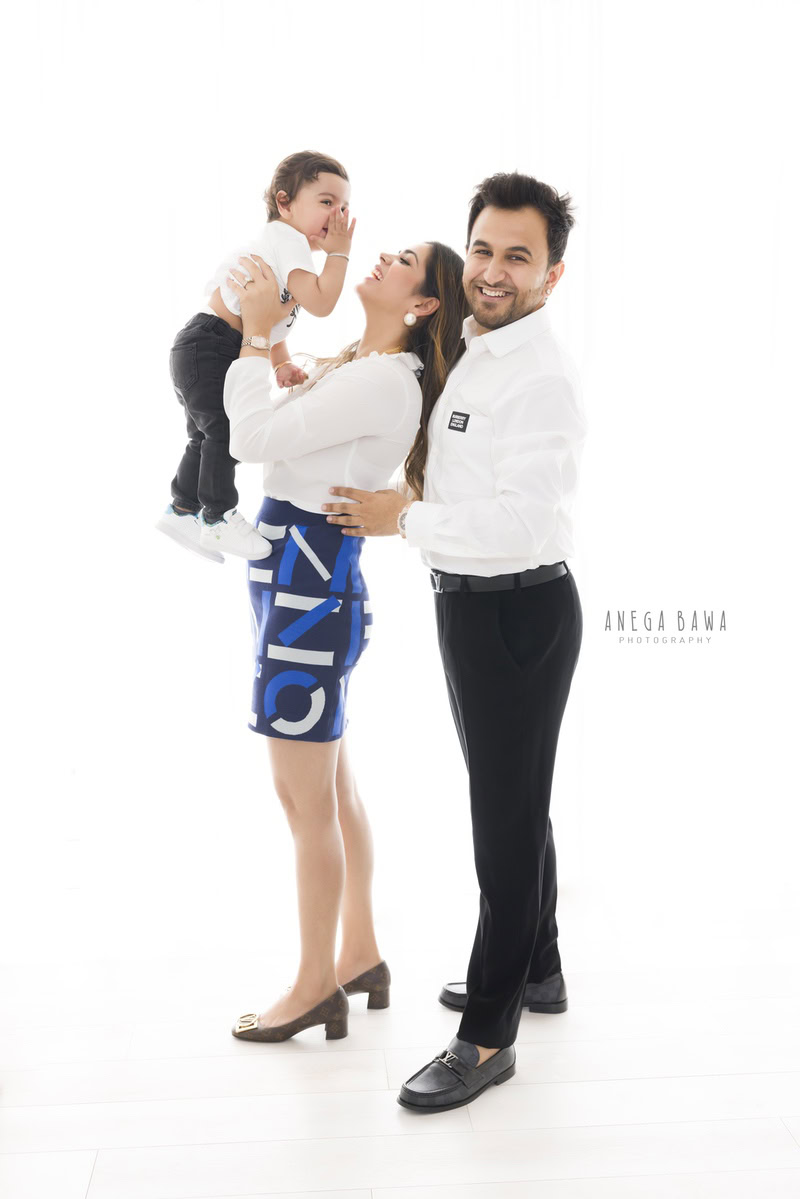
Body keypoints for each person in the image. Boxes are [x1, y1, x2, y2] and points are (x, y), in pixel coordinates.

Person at [323, 171, 587, 1111]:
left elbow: (522, 522)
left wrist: (407, 517)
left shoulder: (540, 376)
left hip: (518, 610)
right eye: (483, 248)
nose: (493, 270)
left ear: (552, 274)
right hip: (470, 608)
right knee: (516, 795)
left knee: (502, 823)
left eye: (519, 255)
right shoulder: (474, 345)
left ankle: (486, 1037)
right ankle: (541, 967)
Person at [221, 239, 469, 1043]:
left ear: (425, 304)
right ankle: (357, 954)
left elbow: (251, 439)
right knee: (331, 789)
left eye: (403, 261)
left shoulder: (376, 378)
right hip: (305, 575)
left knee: (304, 801)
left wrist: (258, 338)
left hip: (304, 580)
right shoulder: (368, 367)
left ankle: (313, 984)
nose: (381, 257)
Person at [156, 150, 355, 563]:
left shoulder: (284, 253)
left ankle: (182, 510)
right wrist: (340, 253)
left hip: (208, 346)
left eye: (344, 207)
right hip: (211, 343)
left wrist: (280, 361)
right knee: (225, 434)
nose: (337, 216)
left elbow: (270, 323)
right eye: (326, 202)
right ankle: (217, 517)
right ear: (284, 203)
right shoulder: (288, 238)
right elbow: (319, 303)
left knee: (206, 435)